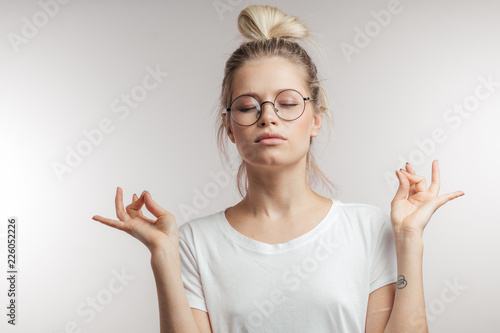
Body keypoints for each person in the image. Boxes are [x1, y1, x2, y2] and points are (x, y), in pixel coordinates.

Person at [92, 4, 464, 333]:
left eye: (287, 102)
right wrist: (162, 255)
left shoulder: (369, 229)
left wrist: (408, 239)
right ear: (229, 127)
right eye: (247, 105)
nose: (268, 116)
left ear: (316, 119)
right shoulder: (192, 242)